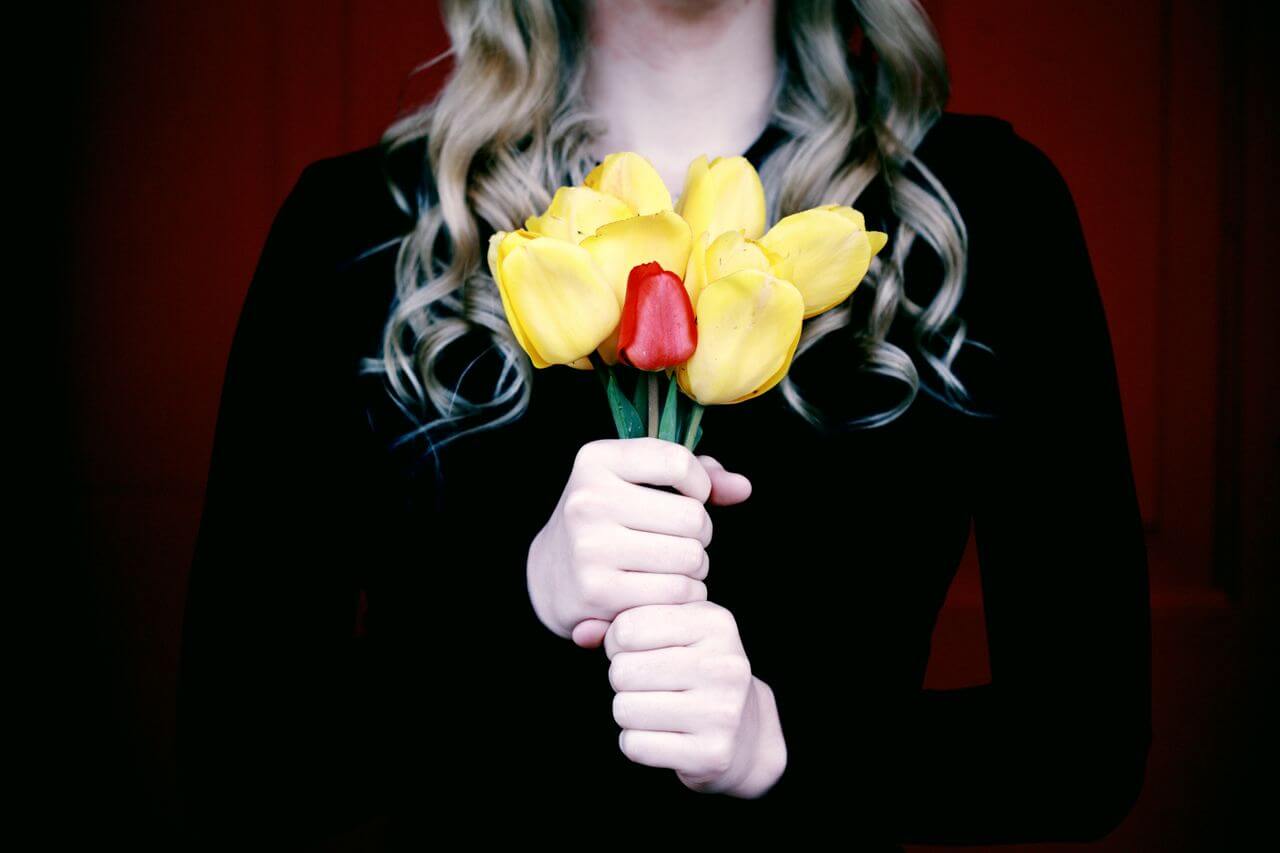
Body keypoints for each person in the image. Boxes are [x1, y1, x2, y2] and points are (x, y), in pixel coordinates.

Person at [175, 0, 1152, 849]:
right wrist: (520, 605)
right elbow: (239, 767)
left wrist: (784, 746)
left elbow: (1082, 755)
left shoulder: (978, 213)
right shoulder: (359, 231)